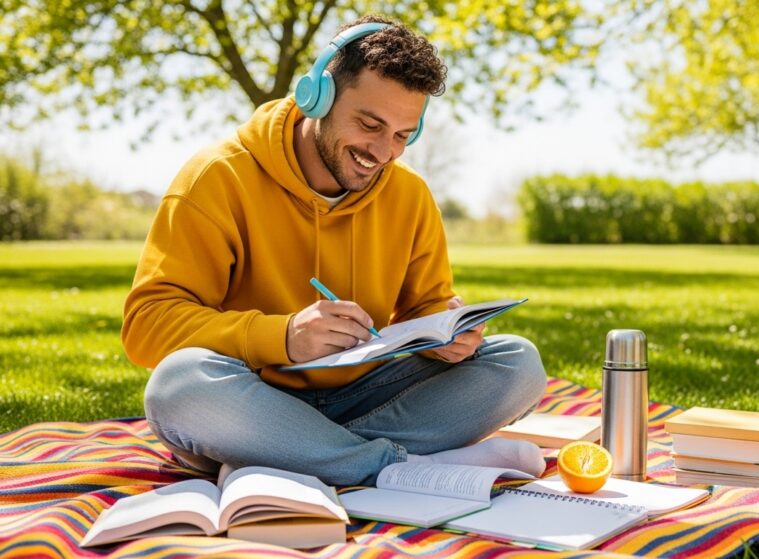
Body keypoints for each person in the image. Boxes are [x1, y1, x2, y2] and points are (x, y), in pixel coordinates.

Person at [121, 15, 548, 487]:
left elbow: (423, 309)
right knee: (177, 384)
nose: (383, 152)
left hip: (365, 396)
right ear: (317, 96)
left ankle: (292, 454)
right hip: (251, 396)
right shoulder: (217, 177)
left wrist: (447, 337)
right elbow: (147, 325)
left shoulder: (410, 195)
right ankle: (399, 467)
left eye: (403, 135)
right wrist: (282, 337)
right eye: (370, 124)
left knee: (517, 363)